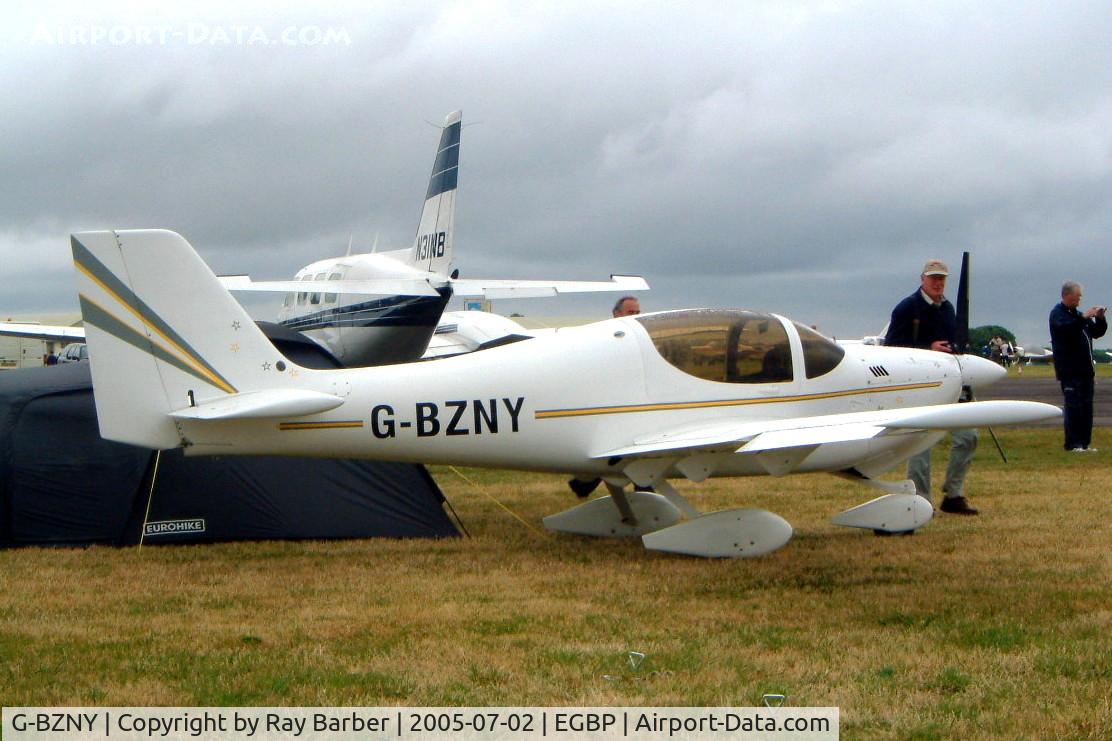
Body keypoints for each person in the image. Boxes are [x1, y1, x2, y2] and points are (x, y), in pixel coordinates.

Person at [884, 258, 979, 515]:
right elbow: (890, 350)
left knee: (969, 437)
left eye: (942, 278)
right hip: (920, 388)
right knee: (921, 445)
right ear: (922, 279)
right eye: (933, 277)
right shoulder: (907, 308)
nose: (938, 283)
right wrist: (929, 349)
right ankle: (921, 500)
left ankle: (954, 494)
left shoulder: (948, 309)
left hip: (952, 383)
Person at [1049, 281, 1107, 452]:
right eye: (1078, 295)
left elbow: (1096, 332)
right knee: (1073, 407)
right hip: (1070, 371)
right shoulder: (1058, 314)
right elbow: (1067, 329)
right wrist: (1083, 318)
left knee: (1086, 408)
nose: (1080, 299)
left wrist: (1100, 318)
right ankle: (1072, 444)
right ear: (1067, 295)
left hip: (1086, 372)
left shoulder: (1078, 316)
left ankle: (1084, 443)